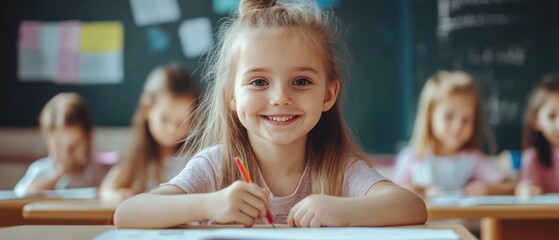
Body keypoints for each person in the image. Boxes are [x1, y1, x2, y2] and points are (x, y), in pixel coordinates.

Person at [114, 0, 426, 228]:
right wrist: (210, 204)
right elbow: (127, 213)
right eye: (259, 82)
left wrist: (341, 210)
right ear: (231, 97)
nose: (280, 98)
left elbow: (411, 207)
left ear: (328, 94)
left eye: (301, 82)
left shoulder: (338, 169)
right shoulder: (214, 166)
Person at [393, 71, 514, 197]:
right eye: (449, 117)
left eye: (466, 120)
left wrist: (488, 189)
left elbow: (509, 185)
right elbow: (392, 194)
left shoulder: (472, 158)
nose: (458, 127)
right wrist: (415, 190)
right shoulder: (412, 157)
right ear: (429, 116)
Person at [100, 63, 199, 202]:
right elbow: (106, 190)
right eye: (164, 119)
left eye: (181, 122)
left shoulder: (196, 158)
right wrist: (119, 196)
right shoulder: (138, 157)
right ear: (146, 109)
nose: (172, 129)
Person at [14, 93, 109, 196]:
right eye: (58, 145)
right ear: (47, 139)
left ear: (88, 139)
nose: (66, 154)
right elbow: (21, 195)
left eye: (74, 146)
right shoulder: (40, 170)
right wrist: (59, 175)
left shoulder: (98, 172)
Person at [515, 74, 559, 196]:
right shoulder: (533, 158)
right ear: (535, 120)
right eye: (552, 116)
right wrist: (525, 190)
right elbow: (526, 188)